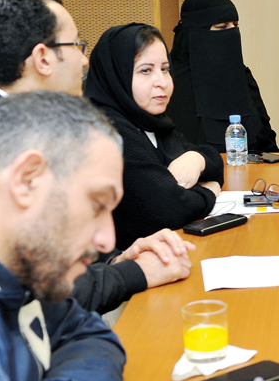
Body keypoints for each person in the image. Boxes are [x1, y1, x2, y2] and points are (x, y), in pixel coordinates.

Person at [0, 0, 195, 314]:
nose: (84, 59)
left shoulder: (33, 125)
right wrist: (135, 272)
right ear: (43, 58)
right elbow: (42, 292)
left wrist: (118, 259)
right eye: (76, 45)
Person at [0, 92, 125, 381]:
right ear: (28, 179)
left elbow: (91, 337)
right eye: (98, 204)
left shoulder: (16, 272)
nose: (107, 240)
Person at [85, 22, 224, 251]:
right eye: (145, 71)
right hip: (127, 263)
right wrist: (209, 190)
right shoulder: (109, 130)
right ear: (116, 75)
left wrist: (197, 159)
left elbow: (213, 159)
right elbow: (170, 209)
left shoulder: (151, 121)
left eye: (165, 69)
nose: (162, 82)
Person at [168, 0, 279, 154]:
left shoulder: (241, 75)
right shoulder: (172, 84)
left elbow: (265, 138)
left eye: (235, 26)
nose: (232, 32)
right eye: (222, 27)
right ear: (197, 31)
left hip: (251, 167)